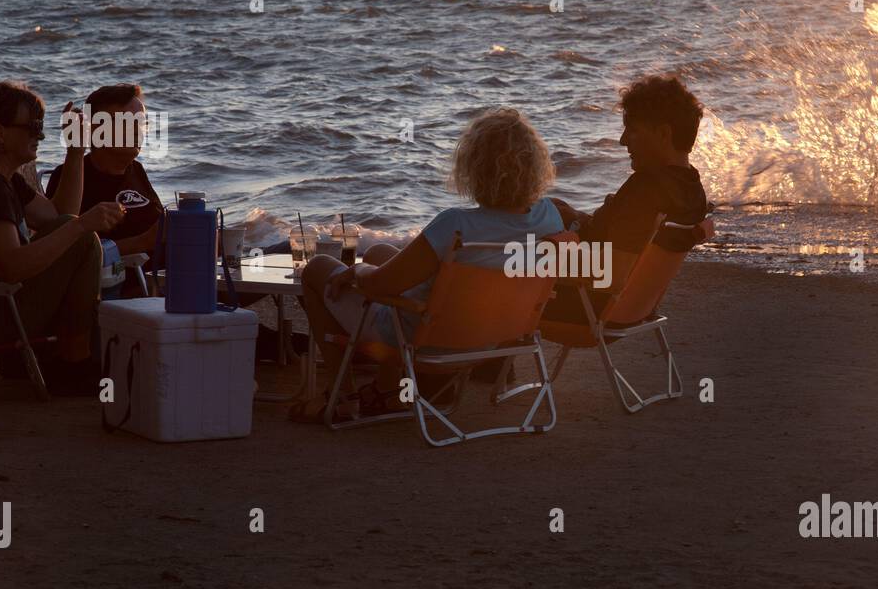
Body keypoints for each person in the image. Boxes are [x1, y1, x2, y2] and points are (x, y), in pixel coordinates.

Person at [292, 107, 564, 423]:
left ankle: (342, 395)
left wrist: (358, 271)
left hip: (424, 339)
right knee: (381, 251)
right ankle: (388, 391)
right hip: (488, 336)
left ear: (474, 168)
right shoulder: (549, 216)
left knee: (318, 269)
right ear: (535, 166)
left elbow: (379, 287)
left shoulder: (455, 225)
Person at [0, 82, 125, 393]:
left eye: (41, 126)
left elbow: (59, 216)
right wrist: (83, 226)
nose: (40, 135)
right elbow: (12, 267)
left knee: (75, 234)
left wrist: (75, 150)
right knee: (82, 238)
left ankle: (44, 359)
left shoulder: (2, 179)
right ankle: (74, 364)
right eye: (31, 127)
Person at [546, 74, 711, 324]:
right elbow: (626, 242)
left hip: (588, 306)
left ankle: (489, 359)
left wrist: (543, 256)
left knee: (501, 265)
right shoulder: (692, 189)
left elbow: (612, 272)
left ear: (664, 134)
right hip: (636, 306)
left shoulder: (646, 190)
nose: (623, 140)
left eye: (632, 130)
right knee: (552, 207)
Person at [45, 83, 163, 295]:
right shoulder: (72, 178)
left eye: (141, 122)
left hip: (167, 279)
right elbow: (66, 253)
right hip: (126, 291)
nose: (138, 130)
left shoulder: (136, 170)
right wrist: (142, 242)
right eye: (127, 123)